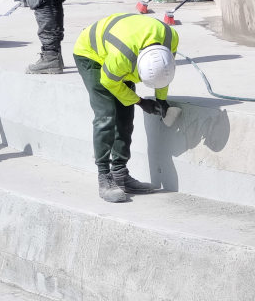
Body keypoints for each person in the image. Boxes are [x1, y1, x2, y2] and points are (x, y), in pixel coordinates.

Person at [73, 13, 180, 203]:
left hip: (125, 45)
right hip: (91, 55)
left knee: (125, 117)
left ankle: (120, 173)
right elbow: (109, 81)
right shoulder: (122, 58)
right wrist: (140, 101)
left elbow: (164, 72)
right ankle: (104, 176)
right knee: (106, 115)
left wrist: (161, 100)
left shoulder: (170, 39)